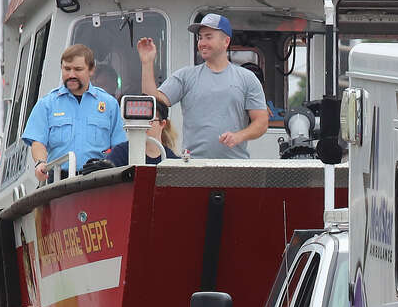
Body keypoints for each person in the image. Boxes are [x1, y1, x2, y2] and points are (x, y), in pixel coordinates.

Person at [137, 14, 269, 159]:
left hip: (235, 166)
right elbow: (152, 101)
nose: (202, 42)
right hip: (193, 166)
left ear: (226, 41)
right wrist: (147, 63)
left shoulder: (247, 78)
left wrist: (239, 136)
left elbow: (261, 122)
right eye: (200, 37)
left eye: (208, 37)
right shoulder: (185, 76)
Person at [22, 44, 126, 182]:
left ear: (91, 70)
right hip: (59, 181)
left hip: (99, 181)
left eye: (78, 69)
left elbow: (120, 145)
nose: (71, 75)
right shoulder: (47, 104)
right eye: (67, 69)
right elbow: (38, 142)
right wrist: (40, 163)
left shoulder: (109, 104)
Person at [105, 98, 180, 165]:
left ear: (162, 124)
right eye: (138, 120)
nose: (142, 125)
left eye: (149, 120)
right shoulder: (119, 154)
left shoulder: (171, 160)